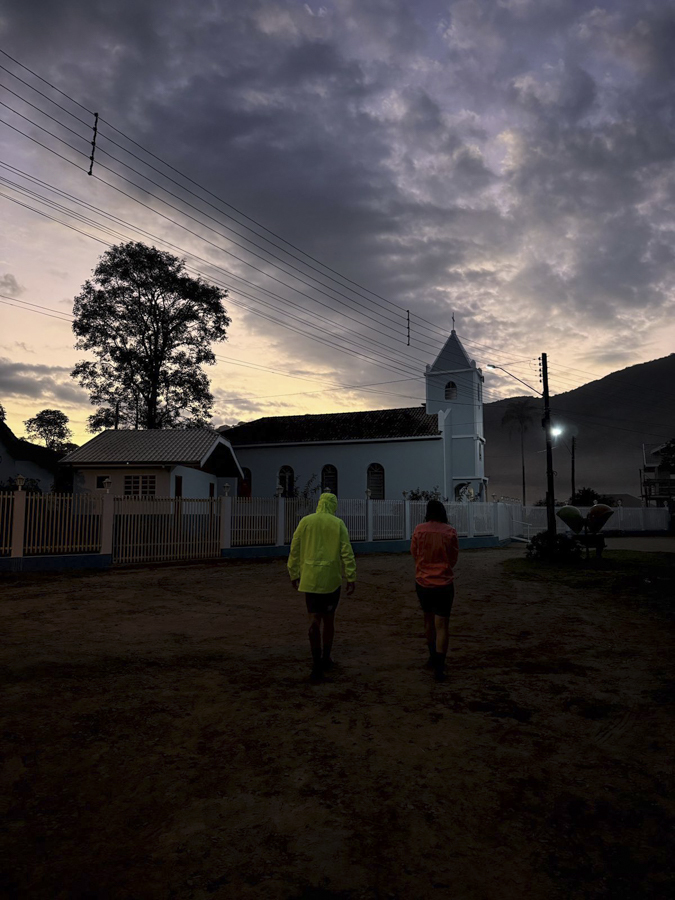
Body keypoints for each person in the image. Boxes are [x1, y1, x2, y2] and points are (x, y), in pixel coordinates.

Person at [288, 492, 356, 682]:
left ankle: (315, 662)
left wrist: (293, 572)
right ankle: (326, 657)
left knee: (314, 618)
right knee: (329, 619)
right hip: (331, 580)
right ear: (333, 505)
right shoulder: (338, 524)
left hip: (310, 579)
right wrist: (351, 576)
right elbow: (347, 551)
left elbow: (295, 548)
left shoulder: (305, 522)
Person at [411, 499, 459, 683]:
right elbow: (453, 557)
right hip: (443, 584)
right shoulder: (449, 531)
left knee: (428, 620)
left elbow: (414, 553)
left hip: (423, 582)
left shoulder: (419, 530)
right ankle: (440, 666)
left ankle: (432, 656)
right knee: (442, 625)